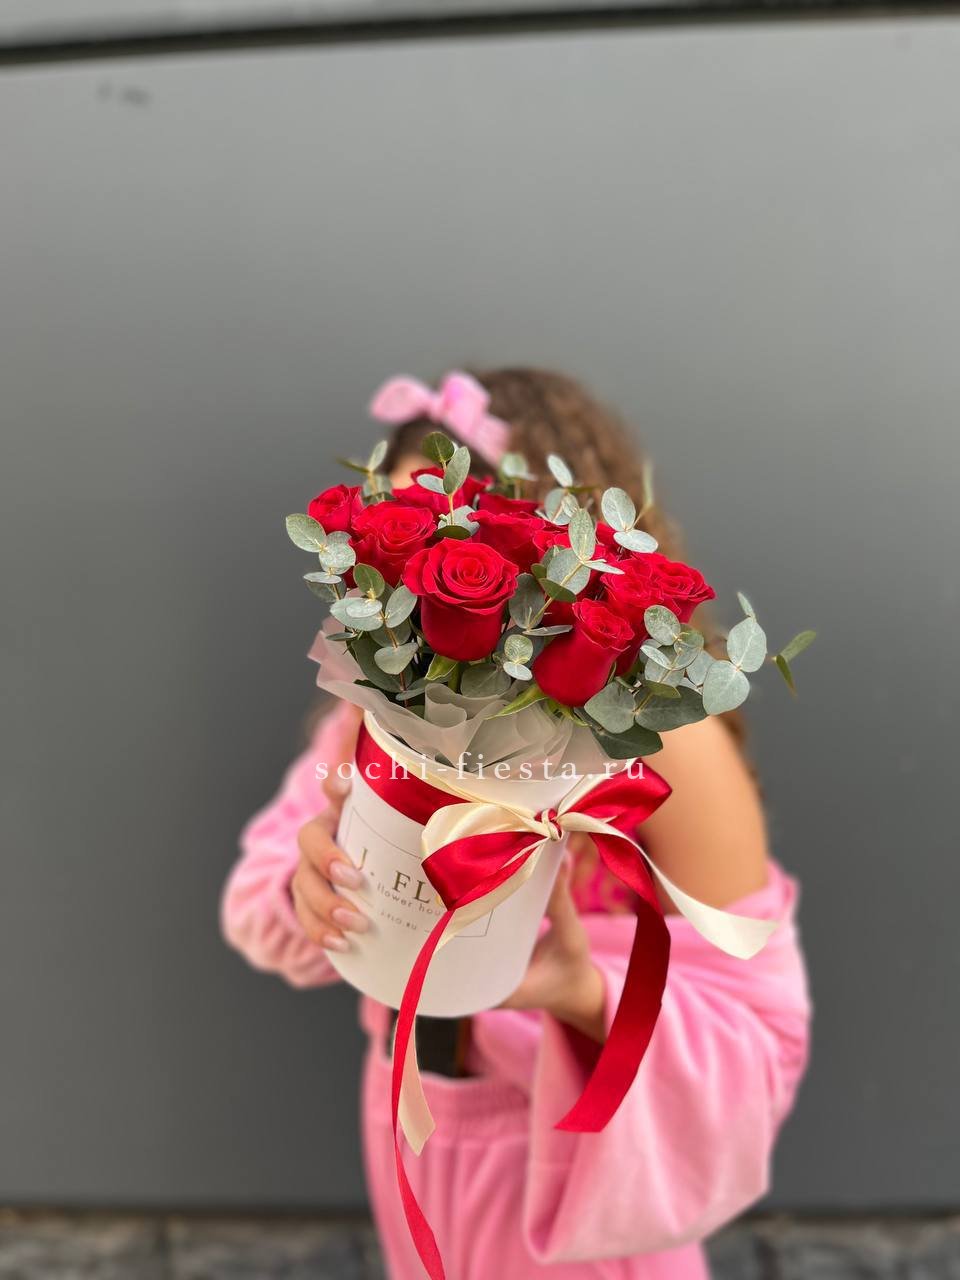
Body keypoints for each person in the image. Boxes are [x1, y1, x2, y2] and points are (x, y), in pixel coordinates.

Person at [221, 368, 811, 1280]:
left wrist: (584, 993)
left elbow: (763, 1034)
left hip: (575, 1173)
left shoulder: (668, 741)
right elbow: (258, 905)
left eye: (455, 532)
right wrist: (318, 888)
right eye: (405, 538)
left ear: (559, 549)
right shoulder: (380, 715)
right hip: (412, 1126)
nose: (415, 578)